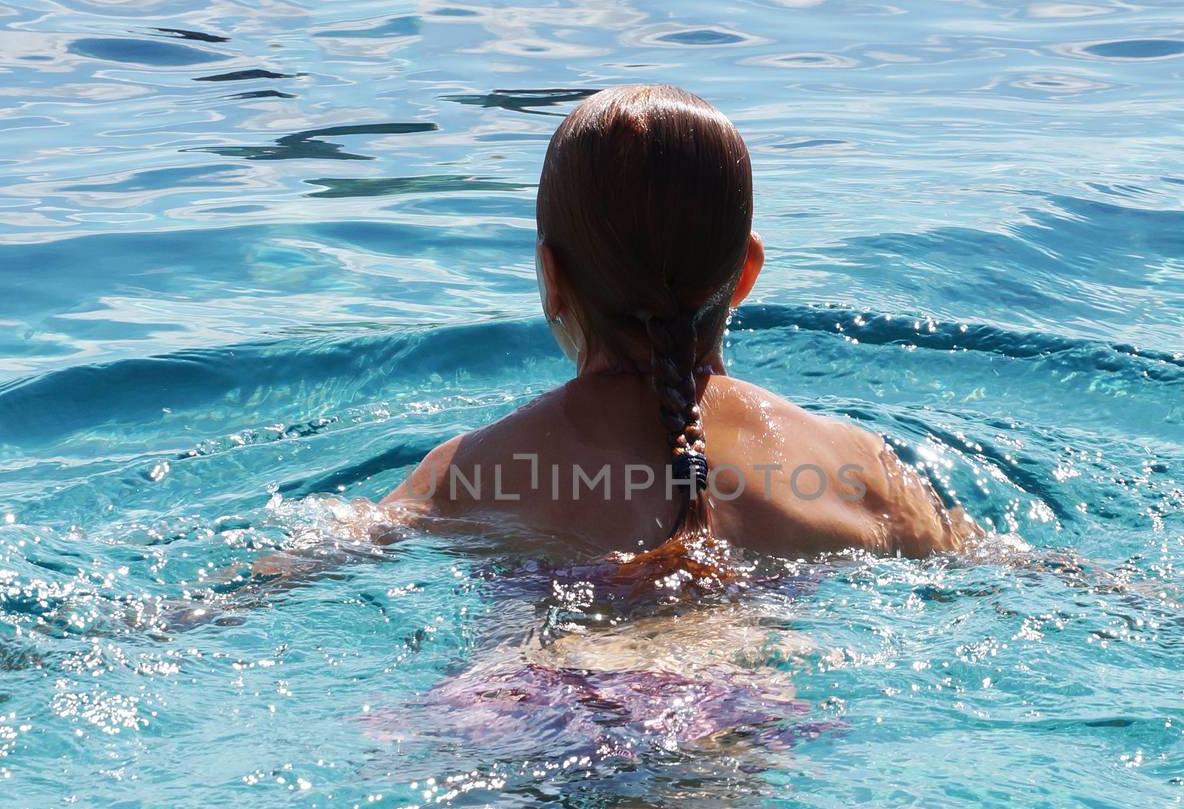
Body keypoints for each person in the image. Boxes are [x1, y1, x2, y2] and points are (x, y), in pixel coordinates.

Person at [379, 84, 976, 562]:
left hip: (542, 679)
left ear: (551, 278)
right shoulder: (856, 465)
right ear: (746, 274)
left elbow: (319, 555)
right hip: (746, 688)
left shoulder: (471, 471)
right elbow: (990, 564)